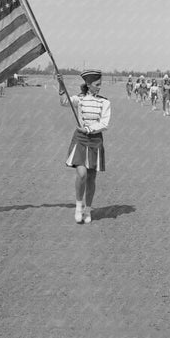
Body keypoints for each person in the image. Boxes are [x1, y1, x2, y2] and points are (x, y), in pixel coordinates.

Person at [57, 70, 111, 224]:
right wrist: (61, 85)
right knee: (82, 174)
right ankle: (78, 206)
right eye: (97, 85)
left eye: (100, 84)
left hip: (95, 140)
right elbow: (64, 102)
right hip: (80, 139)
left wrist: (88, 129)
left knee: (92, 177)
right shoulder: (79, 99)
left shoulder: (105, 102)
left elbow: (104, 124)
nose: (99, 87)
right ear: (88, 85)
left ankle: (88, 209)